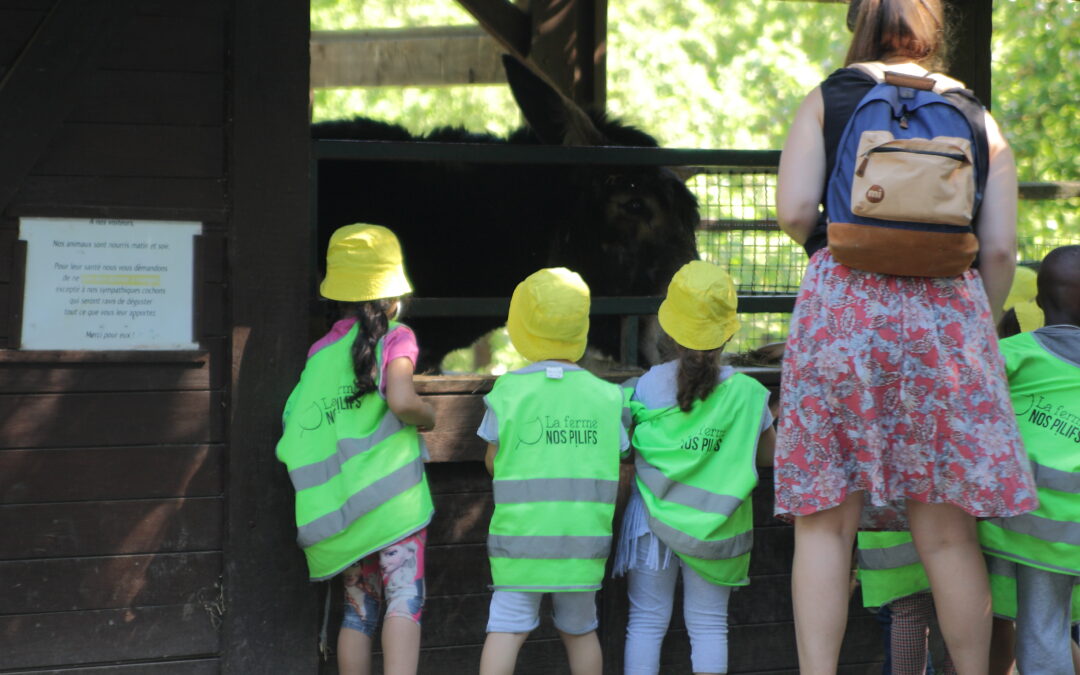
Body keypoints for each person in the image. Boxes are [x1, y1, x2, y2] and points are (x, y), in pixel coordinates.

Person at [772, 1, 1038, 672]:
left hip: (841, 311)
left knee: (827, 522)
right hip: (945, 322)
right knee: (948, 531)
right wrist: (975, 320)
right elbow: (1001, 248)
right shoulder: (978, 115)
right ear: (934, 27)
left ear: (859, 24)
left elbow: (798, 208)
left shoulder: (830, 98)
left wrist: (836, 247)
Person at [276, 224, 436, 675]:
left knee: (357, 612)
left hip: (345, 513)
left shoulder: (319, 354)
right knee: (405, 598)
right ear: (393, 294)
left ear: (337, 296)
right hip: (394, 508)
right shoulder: (397, 337)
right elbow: (403, 401)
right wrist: (431, 417)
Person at [612, 261, 776, 675]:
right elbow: (769, 456)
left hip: (651, 522)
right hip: (716, 528)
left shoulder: (646, 385)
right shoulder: (749, 394)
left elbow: (625, 448)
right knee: (708, 626)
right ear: (728, 331)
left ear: (670, 328)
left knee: (646, 624)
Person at [476, 267, 629, 675]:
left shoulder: (507, 392)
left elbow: (493, 461)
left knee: (506, 629)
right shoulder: (606, 396)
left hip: (519, 542)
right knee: (581, 631)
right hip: (582, 544)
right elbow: (617, 455)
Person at [979, 245, 1080, 675]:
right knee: (1054, 625)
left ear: (1038, 303)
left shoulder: (1012, 355)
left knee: (1040, 631)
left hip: (1031, 528)